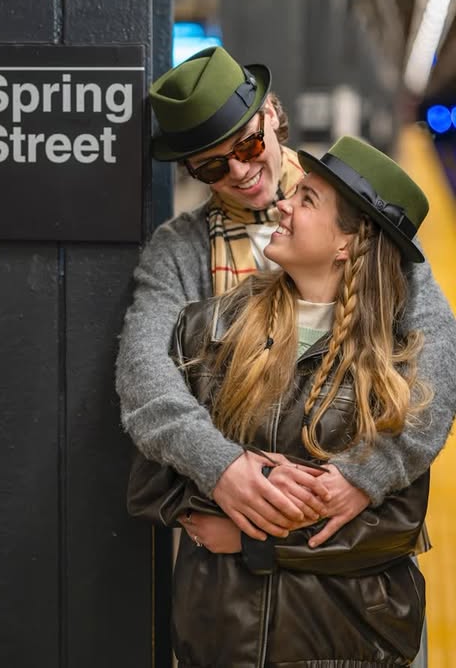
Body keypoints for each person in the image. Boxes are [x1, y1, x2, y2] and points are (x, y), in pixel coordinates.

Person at [115, 45, 456, 549]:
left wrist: (367, 474)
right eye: (211, 168)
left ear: (271, 115)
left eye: (248, 147)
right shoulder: (181, 249)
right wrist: (222, 467)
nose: (238, 172)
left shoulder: (360, 209)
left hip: (356, 555)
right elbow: (144, 373)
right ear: (190, 171)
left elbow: (436, 355)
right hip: (234, 537)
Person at [126, 135, 433, 666]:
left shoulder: (397, 359)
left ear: (346, 244)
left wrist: (250, 540)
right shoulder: (211, 328)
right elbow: (151, 484)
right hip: (223, 643)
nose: (283, 204)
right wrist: (224, 475)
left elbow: (396, 526)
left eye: (308, 199)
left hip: (348, 644)